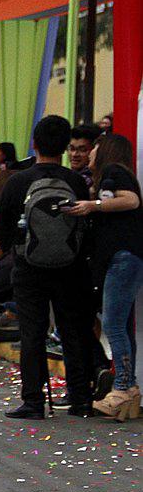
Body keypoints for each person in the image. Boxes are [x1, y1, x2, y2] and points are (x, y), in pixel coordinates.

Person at [0, 115, 95, 420]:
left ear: (34, 144)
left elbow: (2, 224)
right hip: (70, 266)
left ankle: (34, 401)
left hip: (29, 267)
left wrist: (17, 248)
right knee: (72, 330)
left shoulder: (18, 181)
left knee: (32, 333)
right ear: (64, 147)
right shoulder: (75, 181)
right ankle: (80, 399)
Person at [63, 132, 143, 420]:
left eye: (94, 147)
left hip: (122, 257)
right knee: (122, 323)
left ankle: (122, 387)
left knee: (113, 324)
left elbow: (131, 201)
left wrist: (92, 205)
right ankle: (128, 387)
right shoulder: (113, 176)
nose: (89, 154)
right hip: (125, 257)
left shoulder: (114, 173)